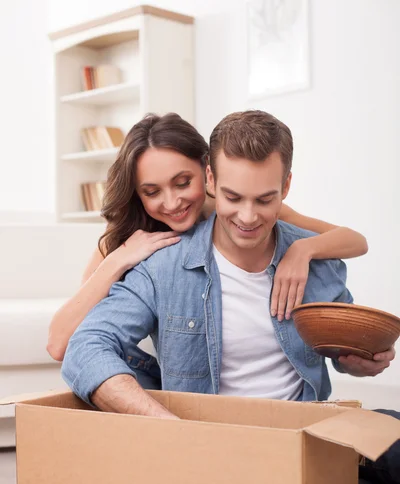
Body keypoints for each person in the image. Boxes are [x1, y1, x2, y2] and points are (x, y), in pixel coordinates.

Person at [61, 110, 398, 484]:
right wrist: (171, 430)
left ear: (287, 186)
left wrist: (362, 360)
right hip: (242, 464)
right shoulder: (161, 264)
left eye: (266, 199)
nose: (247, 216)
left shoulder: (317, 261)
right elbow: (82, 348)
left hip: (323, 434)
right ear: (213, 179)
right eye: (235, 197)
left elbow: (341, 357)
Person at [47, 113, 368, 363]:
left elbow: (355, 241)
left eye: (183, 182)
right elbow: (60, 343)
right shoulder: (127, 232)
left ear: (208, 172)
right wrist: (120, 257)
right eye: (152, 191)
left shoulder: (244, 209)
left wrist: (303, 249)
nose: (172, 203)